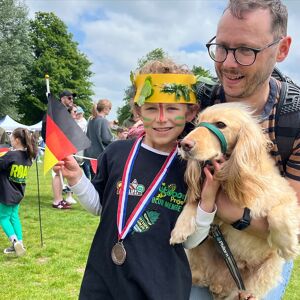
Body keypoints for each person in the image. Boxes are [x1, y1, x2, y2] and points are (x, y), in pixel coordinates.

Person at [54, 58, 221, 300]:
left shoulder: (192, 166)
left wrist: (207, 200)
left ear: (191, 112)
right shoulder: (116, 152)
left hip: (161, 287)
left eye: (172, 108)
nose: (161, 118)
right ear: (137, 111)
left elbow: (190, 242)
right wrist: (77, 179)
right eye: (152, 108)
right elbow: (101, 207)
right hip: (103, 279)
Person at [190, 1, 300, 299]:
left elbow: (291, 220)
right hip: (202, 247)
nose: (227, 63)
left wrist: (228, 211)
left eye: (246, 50)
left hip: (262, 258)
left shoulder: (296, 117)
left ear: (282, 49)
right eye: (222, 47)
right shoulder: (198, 100)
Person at [0, 127, 38, 256]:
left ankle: (14, 241)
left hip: (6, 193)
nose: (10, 140)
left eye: (11, 138)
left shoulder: (11, 155)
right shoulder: (28, 157)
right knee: (14, 217)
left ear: (16, 140)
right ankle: (20, 243)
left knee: (3, 217)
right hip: (18, 193)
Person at [41, 90, 77, 209]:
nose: (71, 100)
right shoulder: (55, 111)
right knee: (58, 172)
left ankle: (60, 199)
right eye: (69, 98)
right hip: (56, 145)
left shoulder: (63, 112)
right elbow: (47, 129)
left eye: (72, 98)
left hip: (63, 145)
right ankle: (57, 200)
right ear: (62, 98)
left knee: (62, 172)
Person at [84, 99, 113, 178]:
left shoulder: (91, 120)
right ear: (105, 109)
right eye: (110, 108)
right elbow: (107, 139)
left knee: (93, 180)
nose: (110, 111)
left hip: (90, 154)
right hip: (99, 156)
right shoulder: (103, 121)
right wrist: (117, 140)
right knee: (101, 181)